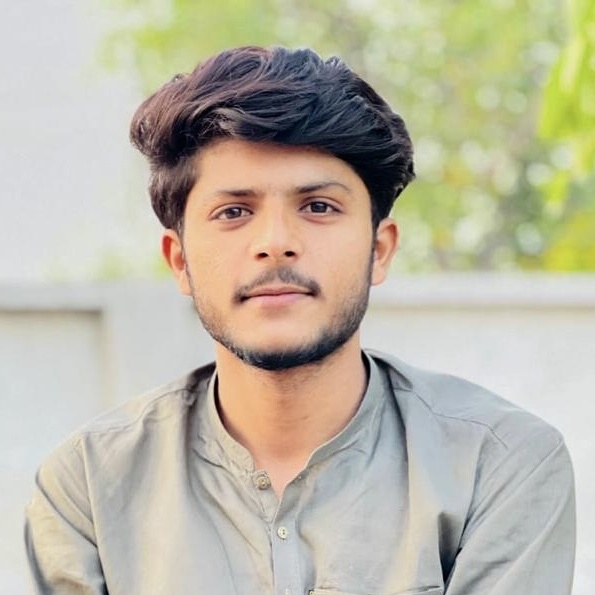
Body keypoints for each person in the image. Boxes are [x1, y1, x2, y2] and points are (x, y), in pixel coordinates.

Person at [25, 46, 575, 595]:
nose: (276, 243)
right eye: (234, 212)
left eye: (318, 207)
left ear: (379, 250)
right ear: (180, 261)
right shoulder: (91, 486)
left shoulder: (498, 464)